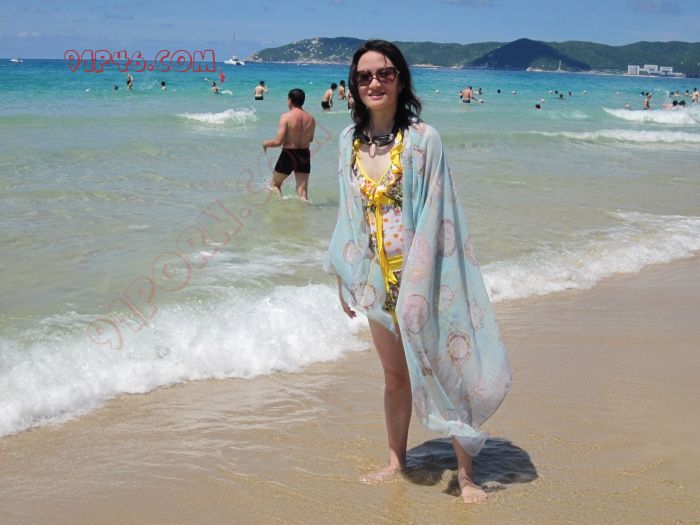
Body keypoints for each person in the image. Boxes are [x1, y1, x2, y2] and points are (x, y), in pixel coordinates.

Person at [324, 40, 511, 505]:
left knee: (448, 373)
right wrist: (345, 273)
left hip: (425, 279)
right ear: (354, 85)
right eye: (364, 76)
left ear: (400, 79)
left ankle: (466, 476)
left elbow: (438, 212)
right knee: (394, 377)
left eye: (384, 73)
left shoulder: (425, 140)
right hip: (376, 280)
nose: (374, 82)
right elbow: (348, 216)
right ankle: (396, 461)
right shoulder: (348, 142)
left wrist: (419, 284)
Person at [262, 88, 316, 201]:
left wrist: (266, 143)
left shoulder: (286, 117)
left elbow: (278, 142)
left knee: (274, 184)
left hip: (289, 154)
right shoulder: (311, 119)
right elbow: (310, 139)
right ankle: (305, 210)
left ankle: (282, 206)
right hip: (304, 154)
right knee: (302, 192)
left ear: (290, 100)